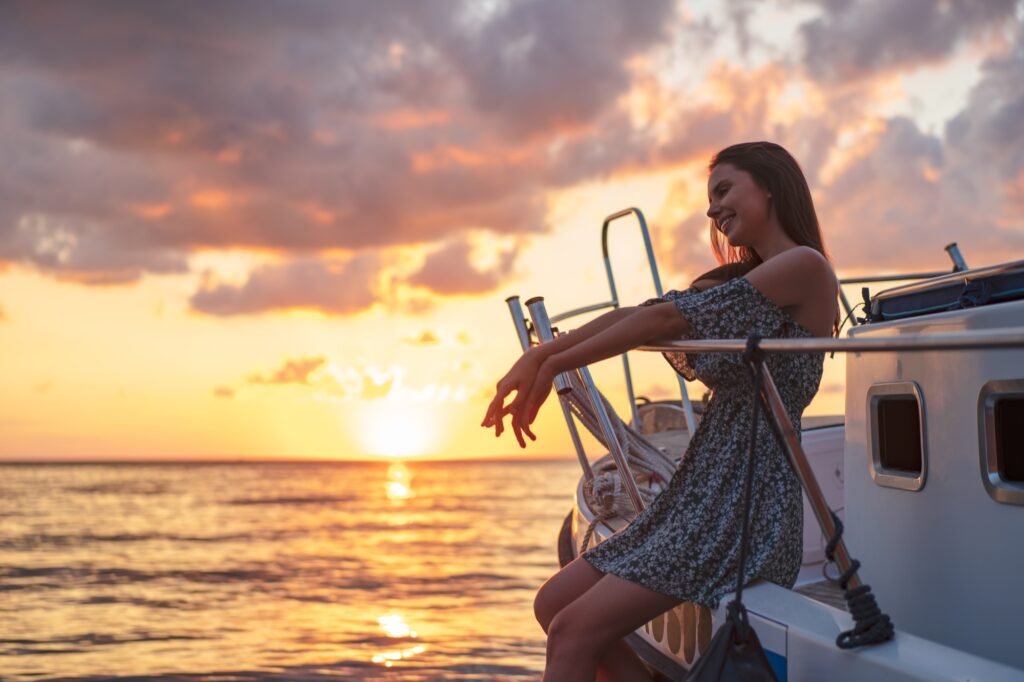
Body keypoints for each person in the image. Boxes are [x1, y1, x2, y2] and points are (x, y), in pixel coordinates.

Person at [481, 141, 838, 681]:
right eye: (710, 198)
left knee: (574, 632)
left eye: (724, 191)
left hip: (747, 503)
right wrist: (540, 353)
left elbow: (664, 321)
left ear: (769, 185)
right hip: (701, 490)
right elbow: (641, 313)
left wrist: (552, 366)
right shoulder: (748, 282)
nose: (712, 210)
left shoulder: (804, 268)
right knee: (553, 605)